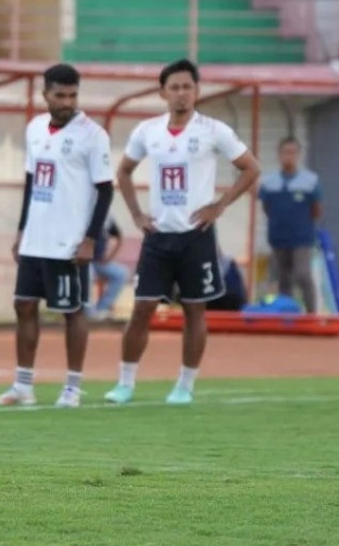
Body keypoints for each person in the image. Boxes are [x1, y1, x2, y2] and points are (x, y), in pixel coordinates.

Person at [105, 58, 260, 406]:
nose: (181, 94)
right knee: (142, 308)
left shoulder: (213, 130)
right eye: (174, 87)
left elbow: (251, 168)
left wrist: (219, 206)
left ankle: (185, 385)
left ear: (197, 91)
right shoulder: (148, 131)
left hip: (196, 236)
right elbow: (125, 171)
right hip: (158, 236)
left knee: (194, 310)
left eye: (187, 87)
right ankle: (125, 383)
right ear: (163, 92)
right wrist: (136, 214)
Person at [0, 64, 113, 409]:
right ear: (45, 95)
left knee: (72, 311)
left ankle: (72, 388)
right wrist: (21, 229)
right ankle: (23, 385)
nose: (67, 101)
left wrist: (91, 238)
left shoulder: (93, 135)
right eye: (60, 95)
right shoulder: (35, 129)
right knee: (24, 306)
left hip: (68, 242)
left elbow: (105, 191)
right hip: (35, 239)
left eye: (73, 95)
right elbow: (32, 183)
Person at [258, 136, 322, 312]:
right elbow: (266, 206)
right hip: (278, 237)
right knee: (283, 278)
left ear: (298, 155)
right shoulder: (269, 182)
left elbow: (316, 209)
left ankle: (311, 312)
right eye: (285, 152)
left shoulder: (310, 181)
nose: (289, 156)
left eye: (293, 153)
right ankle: (288, 313)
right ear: (279, 155)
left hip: (302, 237)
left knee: (302, 274)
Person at [88, 218, 128, 320]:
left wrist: (110, 257)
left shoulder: (107, 218)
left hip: (99, 261)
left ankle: (102, 308)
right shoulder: (82, 213)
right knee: (89, 275)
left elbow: (119, 237)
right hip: (84, 262)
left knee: (121, 273)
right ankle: (88, 311)